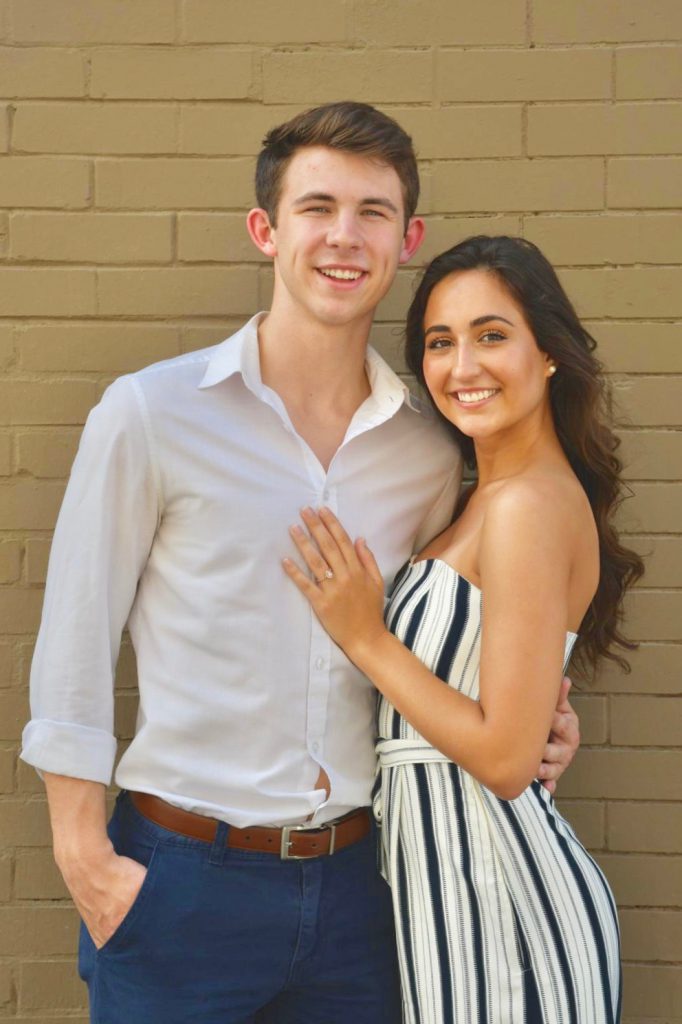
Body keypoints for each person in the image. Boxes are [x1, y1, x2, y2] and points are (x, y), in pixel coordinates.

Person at [21, 106, 579, 1024]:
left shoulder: (430, 450)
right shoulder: (152, 414)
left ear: (407, 240)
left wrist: (542, 719)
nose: (344, 236)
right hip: (178, 886)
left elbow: (455, 634)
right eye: (317, 207)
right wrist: (88, 862)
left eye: (373, 212)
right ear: (266, 229)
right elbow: (76, 640)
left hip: (364, 893)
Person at [284, 235, 644, 1024]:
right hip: (449, 899)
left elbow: (507, 762)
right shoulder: (486, 498)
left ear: (548, 353)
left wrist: (365, 636)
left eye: (491, 335)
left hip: (504, 908)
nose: (463, 366)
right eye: (440, 342)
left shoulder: (526, 507)